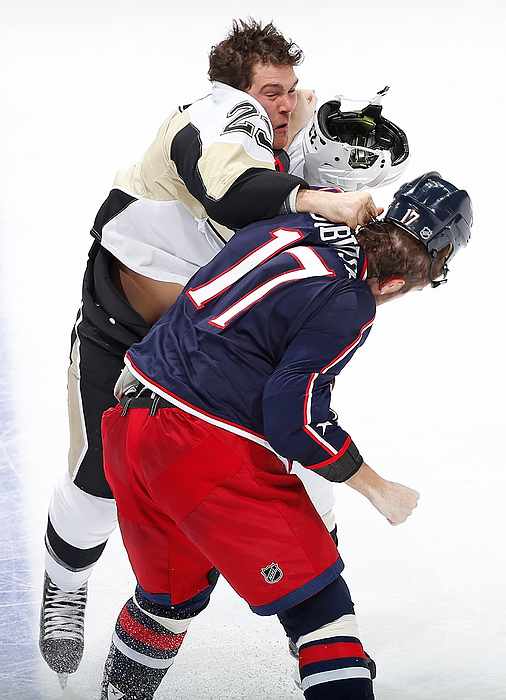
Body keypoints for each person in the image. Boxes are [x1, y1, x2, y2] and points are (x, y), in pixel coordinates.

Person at [38, 17, 407, 687]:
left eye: (292, 89)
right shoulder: (220, 114)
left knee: (298, 464)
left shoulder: (287, 131)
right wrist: (319, 195)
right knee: (98, 479)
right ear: (236, 89)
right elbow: (231, 193)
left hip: (214, 358)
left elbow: (328, 166)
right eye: (273, 90)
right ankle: (65, 583)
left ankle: (315, 620)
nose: (287, 104)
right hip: (126, 337)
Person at [98, 172, 472, 699]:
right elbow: (291, 418)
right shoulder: (352, 301)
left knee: (168, 600)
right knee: (321, 612)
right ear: (394, 283)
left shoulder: (299, 224)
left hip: (131, 427)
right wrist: (377, 487)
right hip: (200, 446)